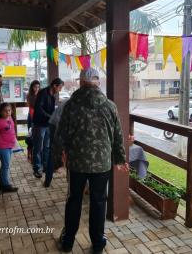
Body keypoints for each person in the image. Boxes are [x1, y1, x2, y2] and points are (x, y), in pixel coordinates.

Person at [54, 68, 128, 254]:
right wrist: (120, 159)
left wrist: (57, 159)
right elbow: (118, 136)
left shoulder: (70, 105)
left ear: (81, 82)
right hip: (101, 164)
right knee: (98, 202)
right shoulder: (110, 106)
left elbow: (59, 135)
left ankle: (68, 241)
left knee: (74, 200)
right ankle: (97, 244)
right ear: (97, 82)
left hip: (77, 163)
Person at [32, 78, 64, 178]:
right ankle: (37, 168)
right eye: (60, 87)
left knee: (46, 146)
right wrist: (50, 116)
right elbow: (39, 108)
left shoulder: (52, 95)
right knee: (38, 147)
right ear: (54, 85)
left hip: (47, 124)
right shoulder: (43, 93)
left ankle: (45, 166)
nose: (60, 90)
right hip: (39, 124)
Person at [0, 103, 19, 193]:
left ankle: (2, 184)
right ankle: (5, 185)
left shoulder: (10, 118)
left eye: (9, 110)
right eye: (5, 111)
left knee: (5, 165)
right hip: (2, 147)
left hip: (9, 147)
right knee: (6, 166)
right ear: (0, 112)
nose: (8, 112)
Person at [44, 100, 67, 188]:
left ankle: (49, 178)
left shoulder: (73, 101)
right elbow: (59, 123)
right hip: (55, 124)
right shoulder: (73, 103)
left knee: (56, 150)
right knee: (53, 151)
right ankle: (48, 180)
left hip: (55, 123)